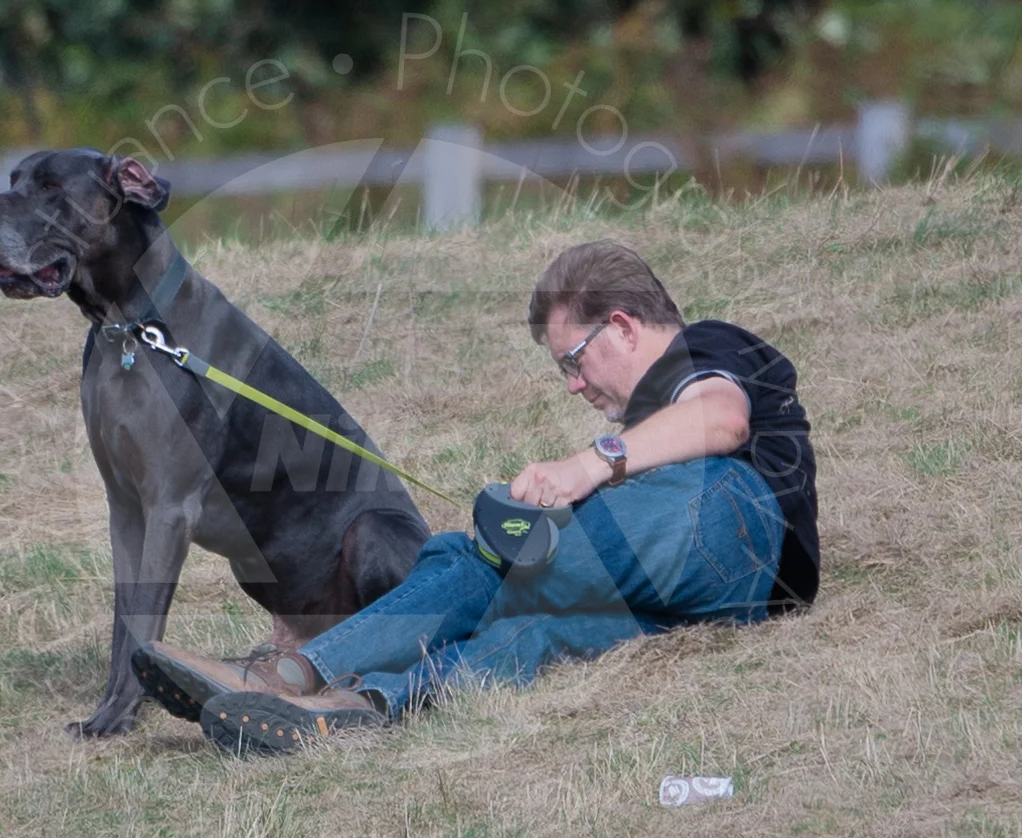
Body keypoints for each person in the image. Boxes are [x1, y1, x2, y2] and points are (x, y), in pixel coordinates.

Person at [133, 239, 819, 756]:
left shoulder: (707, 346)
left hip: (736, 521)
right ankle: (351, 702)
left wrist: (588, 465)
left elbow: (722, 419)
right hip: (709, 606)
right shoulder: (641, 432)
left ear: (623, 325)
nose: (572, 386)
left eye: (572, 361)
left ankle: (298, 668)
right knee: (527, 635)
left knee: (484, 557)